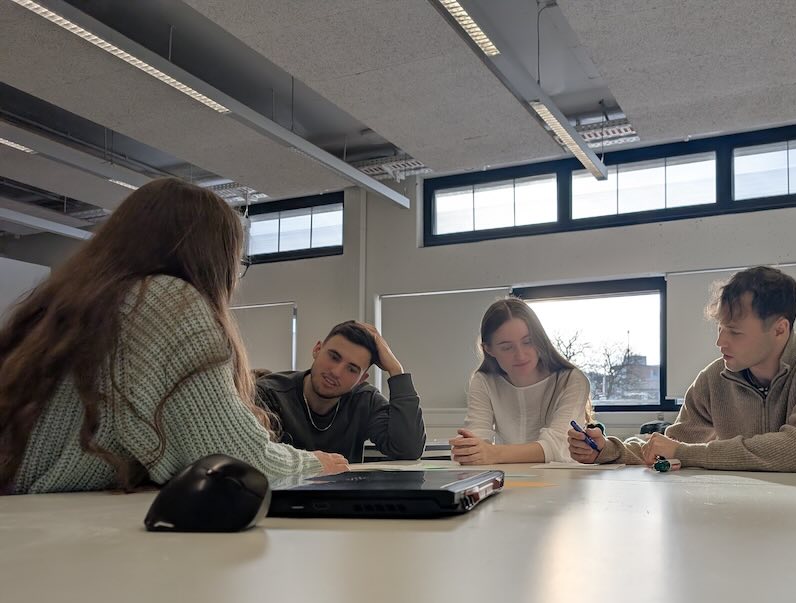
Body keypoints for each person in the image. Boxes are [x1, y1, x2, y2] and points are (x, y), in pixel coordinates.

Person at [0, 178, 347, 495]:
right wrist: (315, 463)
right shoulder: (164, 299)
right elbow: (235, 458)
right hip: (36, 524)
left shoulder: (80, 301)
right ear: (212, 260)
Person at [568, 266, 796, 471]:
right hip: (751, 510)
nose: (720, 341)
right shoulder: (714, 379)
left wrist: (684, 453)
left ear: (779, 329)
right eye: (720, 328)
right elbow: (672, 441)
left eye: (735, 332)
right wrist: (609, 448)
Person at [256, 322, 425, 463]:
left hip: (345, 500)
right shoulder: (269, 393)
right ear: (317, 349)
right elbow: (253, 458)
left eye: (351, 369)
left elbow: (408, 449)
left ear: (361, 378)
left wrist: (396, 370)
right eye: (334, 357)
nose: (336, 372)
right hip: (280, 500)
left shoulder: (365, 400)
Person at [450, 297, 592, 464]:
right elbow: (476, 438)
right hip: (511, 479)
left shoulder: (571, 380)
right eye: (507, 347)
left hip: (563, 481)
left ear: (540, 339)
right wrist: (468, 450)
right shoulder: (483, 381)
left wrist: (492, 453)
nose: (520, 355)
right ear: (488, 350)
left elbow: (557, 446)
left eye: (528, 342)